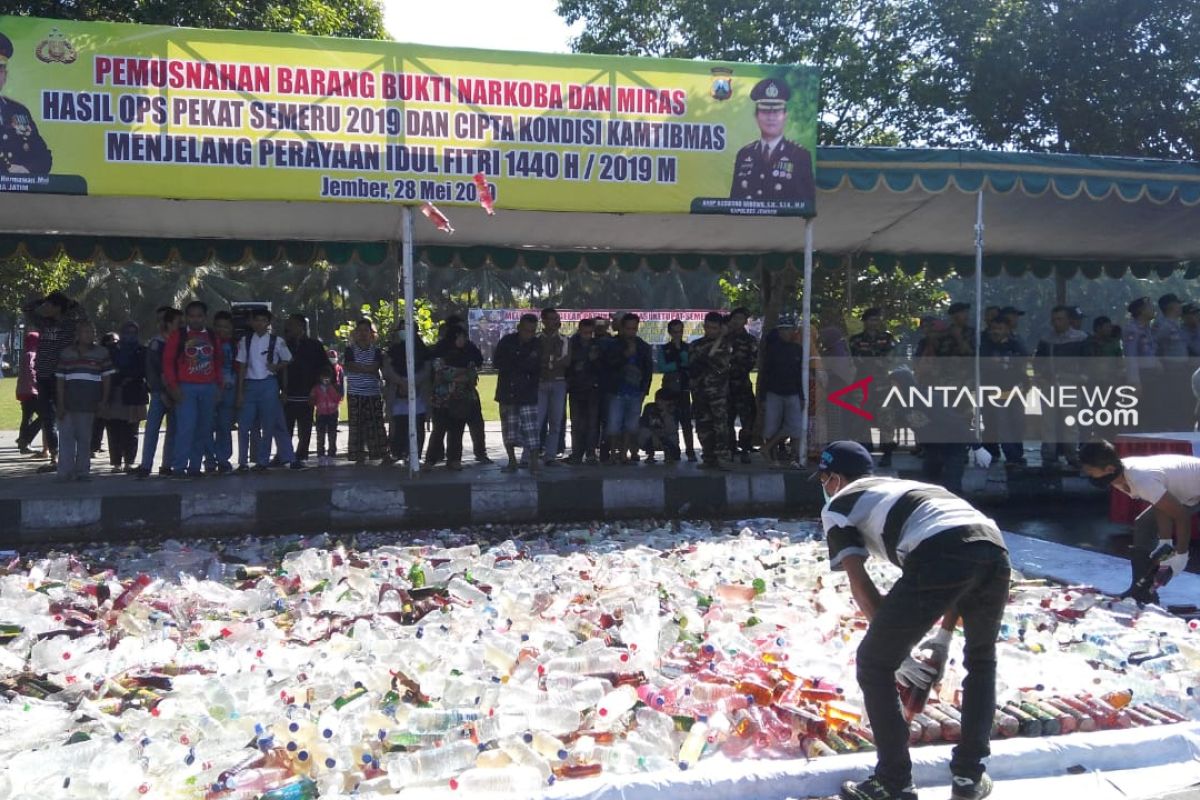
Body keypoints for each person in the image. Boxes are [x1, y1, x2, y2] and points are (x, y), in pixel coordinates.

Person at [818, 441, 1010, 800]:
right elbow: (963, 551)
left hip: (942, 549)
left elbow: (861, 585)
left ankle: (893, 782)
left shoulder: (838, 506)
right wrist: (943, 637)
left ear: (835, 478)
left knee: (873, 663)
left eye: (824, 479)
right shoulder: (906, 488)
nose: (824, 487)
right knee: (982, 659)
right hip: (993, 545)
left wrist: (896, 654)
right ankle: (969, 776)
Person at [1079, 440, 1196, 605]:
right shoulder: (1119, 476)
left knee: (1150, 525)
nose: (1088, 476)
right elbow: (1160, 505)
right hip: (1187, 491)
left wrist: (1181, 555)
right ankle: (1141, 591)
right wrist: (1165, 544)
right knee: (1144, 524)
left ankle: (1142, 591)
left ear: (1109, 469)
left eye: (1091, 472)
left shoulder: (1140, 479)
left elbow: (1181, 516)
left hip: (1193, 487)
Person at [23, 291, 86, 471]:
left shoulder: (69, 324)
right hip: (43, 375)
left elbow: (84, 317)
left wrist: (70, 303)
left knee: (65, 414)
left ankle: (69, 453)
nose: (45, 308)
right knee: (47, 416)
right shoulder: (43, 323)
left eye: (50, 305)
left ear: (58, 307)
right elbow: (27, 309)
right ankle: (54, 455)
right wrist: (43, 300)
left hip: (62, 376)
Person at [729, 77, 815, 207]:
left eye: (776, 111)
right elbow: (734, 204)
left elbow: (806, 206)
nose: (771, 117)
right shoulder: (744, 154)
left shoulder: (799, 156)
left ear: (785, 116)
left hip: (785, 226)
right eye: (765, 111)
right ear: (756, 116)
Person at [163, 301, 222, 478]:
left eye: (199, 316)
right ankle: (179, 467)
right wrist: (173, 387)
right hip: (186, 387)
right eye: (192, 316)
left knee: (203, 429)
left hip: (209, 387)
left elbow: (218, 362)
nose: (195, 319)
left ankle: (195, 467)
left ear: (205, 317)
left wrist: (218, 386)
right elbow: (167, 362)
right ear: (186, 317)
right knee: (186, 428)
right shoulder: (178, 336)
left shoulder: (212, 336)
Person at [235, 308, 295, 472]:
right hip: (250, 384)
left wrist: (277, 367)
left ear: (269, 323)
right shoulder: (245, 340)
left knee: (268, 425)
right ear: (251, 322)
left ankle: (262, 461)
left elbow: (288, 359)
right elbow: (242, 367)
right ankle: (242, 462)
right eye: (256, 320)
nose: (259, 323)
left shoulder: (277, 341)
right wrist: (240, 392)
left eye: (263, 320)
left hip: (269, 383)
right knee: (244, 425)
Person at [54, 320, 112, 482]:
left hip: (89, 404)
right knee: (66, 439)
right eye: (85, 332)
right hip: (68, 403)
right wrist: (60, 404)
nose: (90, 335)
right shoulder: (66, 354)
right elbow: (60, 380)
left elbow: (107, 378)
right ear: (77, 335)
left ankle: (82, 471)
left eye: (92, 331)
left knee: (85, 439)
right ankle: (65, 472)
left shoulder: (101, 353)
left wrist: (104, 401)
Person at [1033, 305, 1089, 468]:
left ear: (1068, 320)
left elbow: (1087, 362)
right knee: (1048, 423)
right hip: (1049, 385)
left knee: (1070, 423)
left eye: (1060, 319)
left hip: (1071, 383)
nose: (1056, 323)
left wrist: (1081, 378)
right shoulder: (1046, 339)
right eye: (1054, 319)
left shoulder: (1081, 338)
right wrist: (1041, 377)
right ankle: (1049, 456)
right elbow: (1038, 362)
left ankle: (1072, 455)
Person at [493, 313, 542, 474]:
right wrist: (521, 363)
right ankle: (512, 461)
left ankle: (534, 462)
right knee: (509, 430)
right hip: (508, 392)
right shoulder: (506, 341)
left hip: (528, 392)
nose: (529, 334)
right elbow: (498, 362)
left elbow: (535, 366)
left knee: (531, 430)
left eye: (532, 331)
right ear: (519, 327)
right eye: (527, 330)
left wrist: (517, 363)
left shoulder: (537, 344)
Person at [603, 313, 654, 464]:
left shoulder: (643, 346)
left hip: (635, 392)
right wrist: (625, 355)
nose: (631, 332)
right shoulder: (612, 344)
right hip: (616, 391)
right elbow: (608, 365)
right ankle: (613, 453)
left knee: (630, 425)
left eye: (634, 328)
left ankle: (624, 452)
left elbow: (648, 370)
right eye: (628, 328)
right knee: (613, 425)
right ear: (622, 328)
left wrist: (644, 390)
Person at [849, 308, 898, 465]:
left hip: (883, 384)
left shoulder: (887, 338)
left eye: (877, 320)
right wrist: (875, 361)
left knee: (886, 418)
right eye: (871, 320)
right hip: (863, 384)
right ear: (865, 321)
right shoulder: (856, 340)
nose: (874, 323)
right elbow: (857, 360)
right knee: (862, 418)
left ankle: (887, 454)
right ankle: (864, 452)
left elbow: (889, 359)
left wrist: (874, 361)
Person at [427, 325, 479, 471]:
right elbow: (443, 373)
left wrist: (457, 374)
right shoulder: (440, 355)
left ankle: (454, 459)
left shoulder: (467, 354)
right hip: (442, 400)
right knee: (439, 431)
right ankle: (431, 459)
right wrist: (461, 373)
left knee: (457, 431)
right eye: (461, 337)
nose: (464, 340)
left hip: (461, 399)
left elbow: (472, 375)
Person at [136, 307, 181, 478]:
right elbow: (151, 371)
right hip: (158, 393)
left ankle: (167, 464)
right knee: (152, 429)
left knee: (173, 430)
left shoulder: (182, 343)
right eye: (160, 319)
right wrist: (160, 391)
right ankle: (146, 465)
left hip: (176, 391)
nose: (162, 323)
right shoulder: (156, 343)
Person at [978, 314, 1028, 467]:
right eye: (993, 329)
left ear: (1007, 329)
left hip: (1016, 391)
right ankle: (1012, 456)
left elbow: (1023, 361)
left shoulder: (1016, 344)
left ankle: (1018, 454)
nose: (996, 332)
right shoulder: (985, 346)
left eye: (1000, 329)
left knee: (1017, 424)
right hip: (995, 393)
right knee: (1003, 425)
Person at [0, 32, 53, 174]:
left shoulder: (18, 111)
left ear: (5, 75)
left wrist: (26, 169)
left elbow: (44, 157)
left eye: (0, 69)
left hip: (17, 194)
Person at [283, 314, 332, 467]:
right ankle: (285, 454)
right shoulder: (284, 344)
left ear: (301, 327)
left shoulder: (314, 345)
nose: (288, 328)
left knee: (305, 427)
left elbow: (325, 368)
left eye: (291, 325)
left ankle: (301, 455)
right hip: (288, 392)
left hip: (308, 392)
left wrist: (318, 389)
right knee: (285, 426)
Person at [759, 316, 806, 468]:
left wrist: (801, 396)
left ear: (793, 331)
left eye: (788, 329)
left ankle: (794, 458)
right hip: (774, 393)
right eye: (782, 329)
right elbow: (765, 373)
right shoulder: (772, 349)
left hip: (792, 393)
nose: (785, 333)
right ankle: (771, 457)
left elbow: (800, 375)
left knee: (795, 427)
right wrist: (762, 397)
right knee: (771, 427)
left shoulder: (798, 349)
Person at [383, 323, 432, 467]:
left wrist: (413, 383)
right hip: (397, 392)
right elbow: (387, 368)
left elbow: (427, 369)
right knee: (399, 424)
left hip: (419, 392)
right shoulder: (393, 350)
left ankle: (415, 454)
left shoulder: (423, 350)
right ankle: (398, 453)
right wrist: (400, 382)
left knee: (418, 424)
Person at [101, 321, 147, 473]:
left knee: (131, 430)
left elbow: (143, 370)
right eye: (126, 332)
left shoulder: (142, 350)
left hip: (134, 393)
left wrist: (129, 376)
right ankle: (116, 462)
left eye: (133, 332)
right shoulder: (111, 349)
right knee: (114, 429)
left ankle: (129, 462)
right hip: (114, 391)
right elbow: (106, 368)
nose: (130, 335)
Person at [690, 311, 734, 470]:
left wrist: (722, 337)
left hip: (718, 394)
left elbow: (716, 362)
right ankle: (708, 457)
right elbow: (694, 365)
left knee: (720, 426)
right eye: (708, 327)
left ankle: (722, 457)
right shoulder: (695, 345)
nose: (710, 331)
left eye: (714, 328)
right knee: (702, 426)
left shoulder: (726, 345)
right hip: (699, 393)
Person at [343, 318, 388, 463]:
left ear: (371, 333)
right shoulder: (350, 350)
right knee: (357, 425)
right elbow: (350, 366)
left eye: (366, 331)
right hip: (355, 392)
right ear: (356, 333)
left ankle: (380, 453)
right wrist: (366, 369)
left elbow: (375, 367)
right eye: (360, 331)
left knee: (375, 424)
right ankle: (358, 454)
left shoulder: (376, 351)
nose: (363, 334)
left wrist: (362, 368)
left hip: (372, 392)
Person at [658, 318, 696, 462]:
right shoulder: (664, 348)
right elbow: (662, 367)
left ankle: (690, 451)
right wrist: (678, 364)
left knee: (686, 422)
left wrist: (681, 362)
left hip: (684, 389)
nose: (677, 335)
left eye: (679, 331)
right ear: (669, 333)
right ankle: (674, 451)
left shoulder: (688, 348)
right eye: (674, 332)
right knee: (670, 422)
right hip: (669, 389)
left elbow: (690, 364)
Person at [566, 318, 603, 465]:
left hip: (592, 388)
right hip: (576, 388)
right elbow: (567, 365)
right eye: (584, 332)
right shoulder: (572, 344)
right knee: (576, 423)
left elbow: (603, 367)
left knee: (592, 423)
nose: (587, 335)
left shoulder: (596, 345)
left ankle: (591, 453)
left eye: (590, 333)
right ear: (579, 330)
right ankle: (576, 453)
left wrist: (593, 361)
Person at [536, 308, 570, 467]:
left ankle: (550, 456)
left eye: (555, 318)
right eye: (550, 319)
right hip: (540, 382)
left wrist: (549, 363)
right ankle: (528, 456)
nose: (553, 322)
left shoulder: (564, 340)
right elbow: (537, 361)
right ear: (543, 320)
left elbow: (566, 361)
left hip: (559, 382)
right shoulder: (537, 340)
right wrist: (551, 362)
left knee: (556, 421)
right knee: (537, 421)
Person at [726, 307, 759, 464]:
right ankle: (731, 449)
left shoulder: (750, 340)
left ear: (745, 322)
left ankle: (745, 448)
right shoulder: (724, 338)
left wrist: (736, 366)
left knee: (747, 420)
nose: (738, 321)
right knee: (727, 420)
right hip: (726, 386)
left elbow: (752, 362)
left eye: (741, 318)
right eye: (735, 318)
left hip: (743, 385)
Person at [206, 311, 238, 474]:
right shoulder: (207, 344)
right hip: (211, 389)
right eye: (218, 326)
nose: (221, 330)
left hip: (230, 390)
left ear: (231, 328)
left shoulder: (235, 345)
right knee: (208, 425)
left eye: (225, 327)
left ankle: (223, 459)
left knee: (224, 426)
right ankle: (210, 460)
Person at [15, 329, 44, 456]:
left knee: (27, 417)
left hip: (22, 390)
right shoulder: (33, 354)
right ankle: (25, 439)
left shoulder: (24, 354)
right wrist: (37, 384)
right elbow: (32, 372)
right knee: (45, 416)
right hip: (32, 390)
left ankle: (24, 444)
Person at [311, 365, 342, 467]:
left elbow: (337, 399)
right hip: (321, 413)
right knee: (320, 435)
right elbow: (313, 400)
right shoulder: (316, 388)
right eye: (323, 377)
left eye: (328, 377)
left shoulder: (334, 387)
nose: (326, 379)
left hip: (332, 413)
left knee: (332, 434)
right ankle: (321, 454)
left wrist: (331, 389)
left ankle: (331, 453)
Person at [638, 389, 680, 463]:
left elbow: (672, 429)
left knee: (672, 437)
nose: (659, 402)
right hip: (653, 435)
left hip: (666, 435)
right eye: (658, 399)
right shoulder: (649, 408)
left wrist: (665, 413)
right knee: (644, 433)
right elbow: (644, 424)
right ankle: (650, 455)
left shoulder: (673, 411)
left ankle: (668, 455)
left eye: (663, 400)